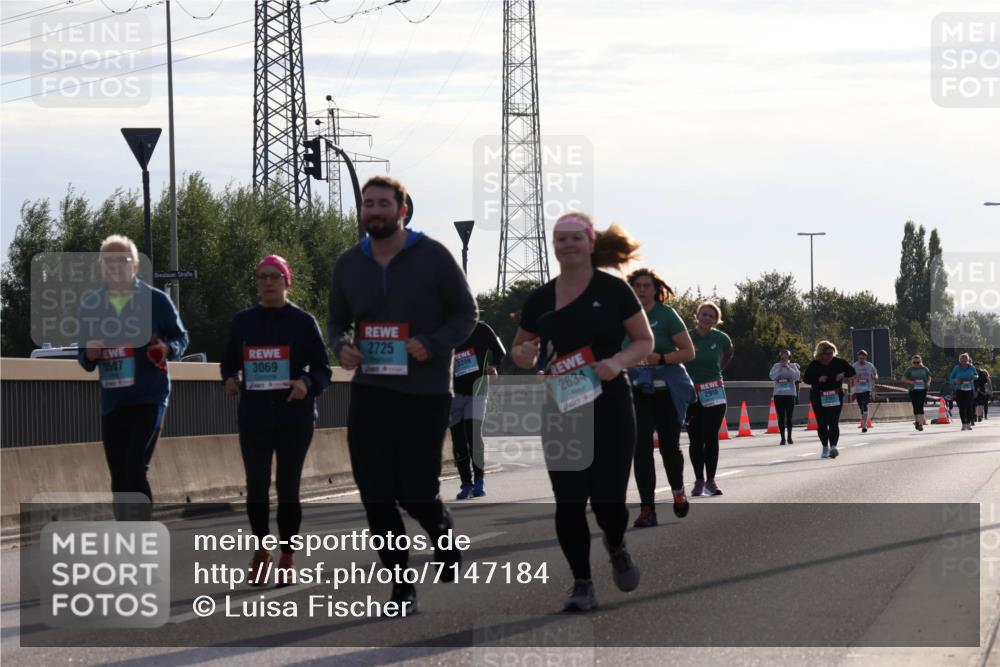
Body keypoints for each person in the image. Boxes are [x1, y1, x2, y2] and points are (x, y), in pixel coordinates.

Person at [328, 176, 477, 614]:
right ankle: (401, 585)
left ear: (402, 210)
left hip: (424, 393)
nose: (374, 211)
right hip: (372, 391)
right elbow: (336, 322)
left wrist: (432, 343)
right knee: (375, 492)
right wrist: (341, 348)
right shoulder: (348, 264)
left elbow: (466, 313)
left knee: (415, 491)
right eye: (367, 204)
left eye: (382, 204)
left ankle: (440, 531)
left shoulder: (432, 256)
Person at [511, 212, 652, 612]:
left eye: (575, 238)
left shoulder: (613, 290)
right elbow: (521, 349)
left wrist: (618, 362)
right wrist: (523, 353)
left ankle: (616, 543)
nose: (567, 245)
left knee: (608, 501)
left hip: (609, 404)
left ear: (590, 244)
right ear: (553, 246)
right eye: (560, 239)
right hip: (562, 407)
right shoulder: (540, 299)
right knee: (569, 501)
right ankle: (581, 583)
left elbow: (644, 340)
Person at [221, 255, 332, 585]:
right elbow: (228, 363)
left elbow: (324, 370)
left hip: (294, 416)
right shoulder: (243, 322)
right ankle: (260, 550)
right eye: (262, 276)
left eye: (275, 276)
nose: (268, 282)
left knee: (287, 487)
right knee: (255, 487)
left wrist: (306, 384)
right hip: (254, 415)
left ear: (287, 282)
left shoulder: (303, 321)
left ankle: (287, 553)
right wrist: (230, 378)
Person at [77, 235, 189, 520]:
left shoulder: (156, 300)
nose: (115, 267)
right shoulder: (92, 305)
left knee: (134, 468)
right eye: (109, 261)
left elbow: (181, 338)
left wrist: (167, 348)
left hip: (149, 397)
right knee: (119, 476)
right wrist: (89, 353)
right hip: (114, 401)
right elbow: (84, 357)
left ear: (136, 266)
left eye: (123, 261)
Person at [624, 268, 695, 528]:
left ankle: (678, 491)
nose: (641, 290)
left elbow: (688, 352)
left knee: (668, 448)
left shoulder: (666, 315)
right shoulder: (623, 317)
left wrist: (662, 358)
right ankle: (647, 509)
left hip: (666, 392)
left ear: (655, 289)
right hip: (637, 392)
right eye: (637, 286)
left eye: (646, 286)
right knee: (640, 449)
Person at [451, 320, 506, 500]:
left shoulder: (481, 328)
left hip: (477, 390)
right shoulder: (444, 328)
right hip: (453, 393)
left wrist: (494, 366)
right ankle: (466, 483)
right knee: (458, 439)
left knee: (473, 434)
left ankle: (479, 479)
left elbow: (500, 350)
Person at [685, 301, 734, 496]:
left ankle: (711, 481)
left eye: (711, 316)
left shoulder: (721, 338)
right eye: (704, 314)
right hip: (690, 393)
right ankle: (698, 481)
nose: (707, 318)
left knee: (711, 436)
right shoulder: (685, 336)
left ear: (716, 320)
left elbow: (729, 353)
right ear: (697, 316)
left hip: (714, 391)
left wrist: (717, 372)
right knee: (695, 439)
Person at [802, 341, 855, 459]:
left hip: (835, 395)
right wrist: (818, 379)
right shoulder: (814, 364)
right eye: (828, 353)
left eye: (832, 353)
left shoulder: (839, 362)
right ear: (821, 354)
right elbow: (806, 379)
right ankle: (825, 447)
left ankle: (833, 447)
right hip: (818, 396)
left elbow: (852, 371)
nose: (830, 356)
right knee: (822, 424)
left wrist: (843, 374)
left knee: (833, 422)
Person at [769, 349, 801, 445]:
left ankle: (790, 437)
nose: (784, 357)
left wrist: (787, 367)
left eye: (786, 355)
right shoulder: (776, 366)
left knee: (789, 418)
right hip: (778, 395)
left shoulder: (793, 366)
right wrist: (780, 368)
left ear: (788, 356)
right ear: (780, 356)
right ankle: (782, 438)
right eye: (782, 355)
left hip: (790, 394)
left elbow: (796, 377)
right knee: (781, 417)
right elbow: (772, 376)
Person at [901, 354, 932, 431]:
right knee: (915, 406)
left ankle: (921, 424)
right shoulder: (909, 370)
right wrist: (911, 382)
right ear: (912, 362)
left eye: (917, 362)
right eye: (914, 362)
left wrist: (928, 383)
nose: (916, 364)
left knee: (920, 405)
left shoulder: (925, 369)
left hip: (922, 389)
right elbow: (903, 379)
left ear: (921, 361)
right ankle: (917, 421)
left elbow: (929, 377)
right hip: (913, 390)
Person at [850, 350, 878, 433]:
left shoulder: (870, 365)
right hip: (858, 389)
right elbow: (850, 376)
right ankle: (864, 418)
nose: (861, 360)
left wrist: (875, 377)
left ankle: (865, 425)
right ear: (857, 357)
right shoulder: (854, 365)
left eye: (863, 358)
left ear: (866, 357)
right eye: (860, 358)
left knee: (865, 404)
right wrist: (855, 377)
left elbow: (875, 373)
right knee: (861, 406)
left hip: (867, 388)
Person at [950, 354, 978, 431]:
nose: (964, 362)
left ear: (968, 360)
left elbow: (976, 375)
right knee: (962, 407)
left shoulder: (972, 367)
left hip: (970, 389)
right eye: (962, 361)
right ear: (960, 361)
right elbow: (951, 379)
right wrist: (956, 380)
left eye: (965, 361)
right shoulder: (956, 368)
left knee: (969, 407)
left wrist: (974, 377)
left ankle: (968, 423)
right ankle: (963, 424)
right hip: (960, 390)